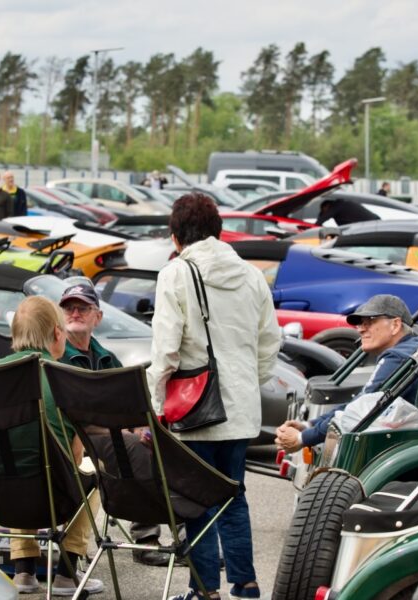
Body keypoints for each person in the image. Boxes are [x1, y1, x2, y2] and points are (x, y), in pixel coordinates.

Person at [147, 193, 280, 600]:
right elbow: (269, 343)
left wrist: (154, 404)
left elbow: (166, 350)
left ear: (175, 237)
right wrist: (244, 383)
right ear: (219, 230)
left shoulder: (176, 273)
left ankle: (204, 591)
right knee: (233, 496)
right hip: (240, 411)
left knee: (196, 502)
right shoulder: (252, 275)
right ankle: (246, 583)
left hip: (196, 411)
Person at [0, 296, 104, 596]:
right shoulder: (64, 380)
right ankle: (67, 572)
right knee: (95, 469)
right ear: (58, 334)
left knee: (20, 461)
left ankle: (23, 570)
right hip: (49, 500)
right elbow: (73, 456)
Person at [57, 282, 169, 568]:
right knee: (133, 446)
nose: (75, 313)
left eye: (83, 307)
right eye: (69, 308)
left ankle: (182, 537)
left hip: (109, 439)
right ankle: (145, 539)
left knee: (154, 441)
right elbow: (72, 418)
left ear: (98, 317)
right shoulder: (56, 357)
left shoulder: (107, 358)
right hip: (73, 443)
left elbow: (130, 409)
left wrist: (140, 429)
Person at [275, 294, 418, 453]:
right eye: (361, 324)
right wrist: (310, 425)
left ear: (395, 325)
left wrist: (303, 438)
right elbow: (359, 404)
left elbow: (362, 413)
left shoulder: (398, 356)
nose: (361, 329)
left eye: (370, 322)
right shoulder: (412, 348)